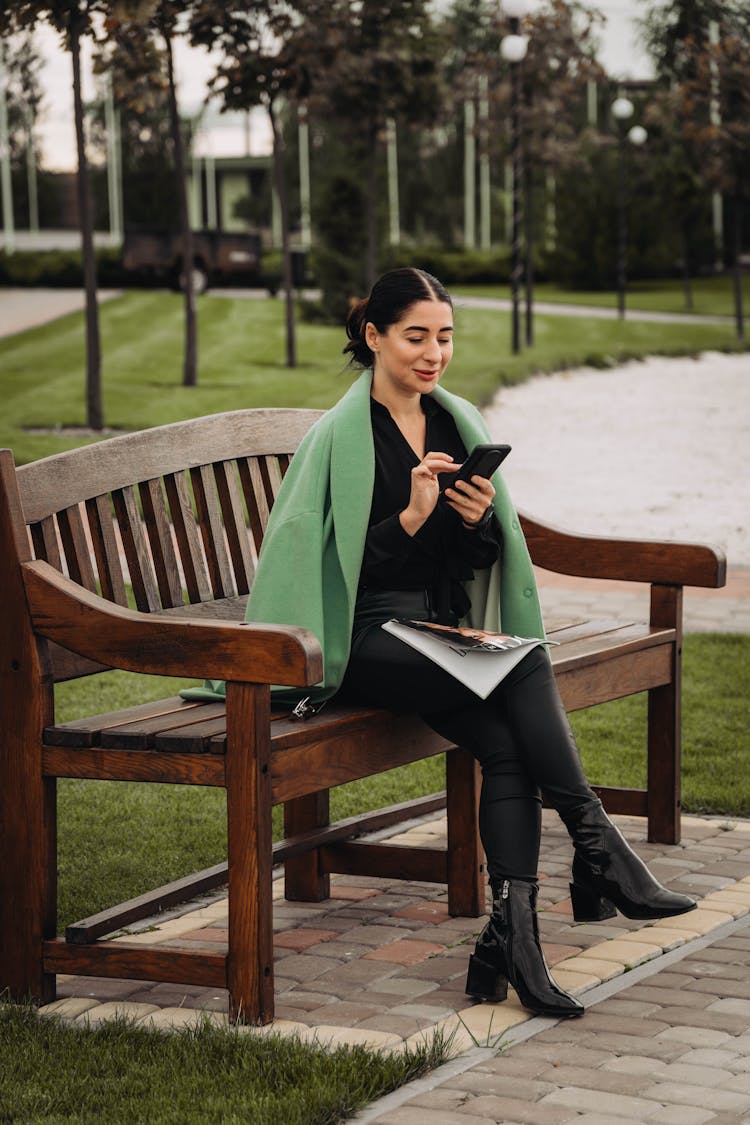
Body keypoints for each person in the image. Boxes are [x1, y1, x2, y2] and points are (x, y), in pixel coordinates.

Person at [241, 267, 696, 1020]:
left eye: (444, 336)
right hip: (360, 638)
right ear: (374, 336)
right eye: (415, 336)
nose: (433, 353)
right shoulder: (336, 439)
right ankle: (598, 849)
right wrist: (414, 515)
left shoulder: (456, 423)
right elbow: (328, 575)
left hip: (435, 630)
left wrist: (476, 520)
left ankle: (511, 944)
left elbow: (472, 562)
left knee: (508, 746)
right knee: (525, 658)